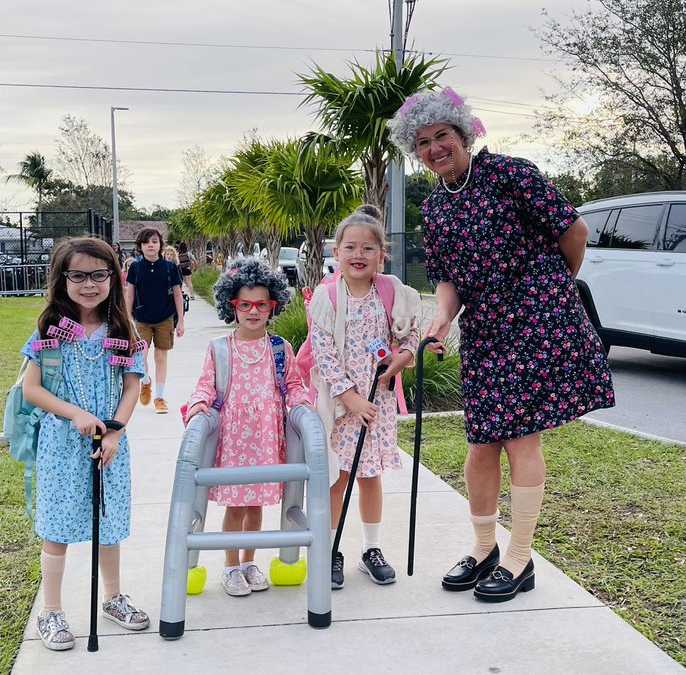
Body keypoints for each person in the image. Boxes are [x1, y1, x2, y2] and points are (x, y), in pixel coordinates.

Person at [387, 87, 615, 602]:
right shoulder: (438, 210)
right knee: (480, 443)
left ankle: (520, 556)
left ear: (464, 133)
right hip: (487, 329)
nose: (435, 148)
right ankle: (485, 547)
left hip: (536, 320)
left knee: (519, 440)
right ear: (415, 150)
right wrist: (440, 321)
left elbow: (573, 231)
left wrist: (551, 289)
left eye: (442, 135)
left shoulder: (512, 174)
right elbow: (447, 281)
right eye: (422, 142)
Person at [19, 236, 150, 650]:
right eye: (78, 275)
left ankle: (112, 597)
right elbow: (32, 389)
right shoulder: (50, 330)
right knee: (57, 526)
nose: (89, 284)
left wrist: (116, 431)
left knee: (107, 524)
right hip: (61, 446)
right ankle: (51, 611)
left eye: (99, 274)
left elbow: (132, 387)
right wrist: (74, 413)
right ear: (62, 280)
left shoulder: (121, 330)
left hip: (109, 446)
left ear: (113, 277)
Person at [306, 204, 423, 589]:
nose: (359, 255)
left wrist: (402, 357)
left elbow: (409, 334)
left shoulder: (390, 291)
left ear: (381, 254)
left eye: (368, 249)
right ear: (336, 252)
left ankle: (371, 549)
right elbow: (323, 354)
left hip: (379, 403)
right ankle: (332, 548)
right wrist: (351, 398)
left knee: (370, 476)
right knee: (338, 478)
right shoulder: (326, 298)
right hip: (341, 407)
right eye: (350, 248)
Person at [183, 257, 310, 596]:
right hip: (234, 441)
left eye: (262, 305)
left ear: (273, 307)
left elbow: (294, 385)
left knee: (255, 505)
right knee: (236, 505)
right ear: (232, 306)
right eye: (245, 304)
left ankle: (250, 561)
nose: (254, 312)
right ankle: (230, 566)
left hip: (267, 439)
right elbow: (206, 385)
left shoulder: (280, 349)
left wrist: (302, 403)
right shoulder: (221, 349)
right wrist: (198, 405)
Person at [125, 228, 185, 414]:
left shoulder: (169, 267)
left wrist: (181, 321)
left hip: (164, 318)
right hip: (141, 319)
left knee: (161, 357)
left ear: (160, 244)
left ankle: (159, 397)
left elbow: (177, 294)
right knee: (140, 356)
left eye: (154, 241)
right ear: (140, 247)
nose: (150, 245)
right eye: (145, 242)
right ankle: (145, 382)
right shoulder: (135, 267)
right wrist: (127, 319)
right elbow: (129, 294)